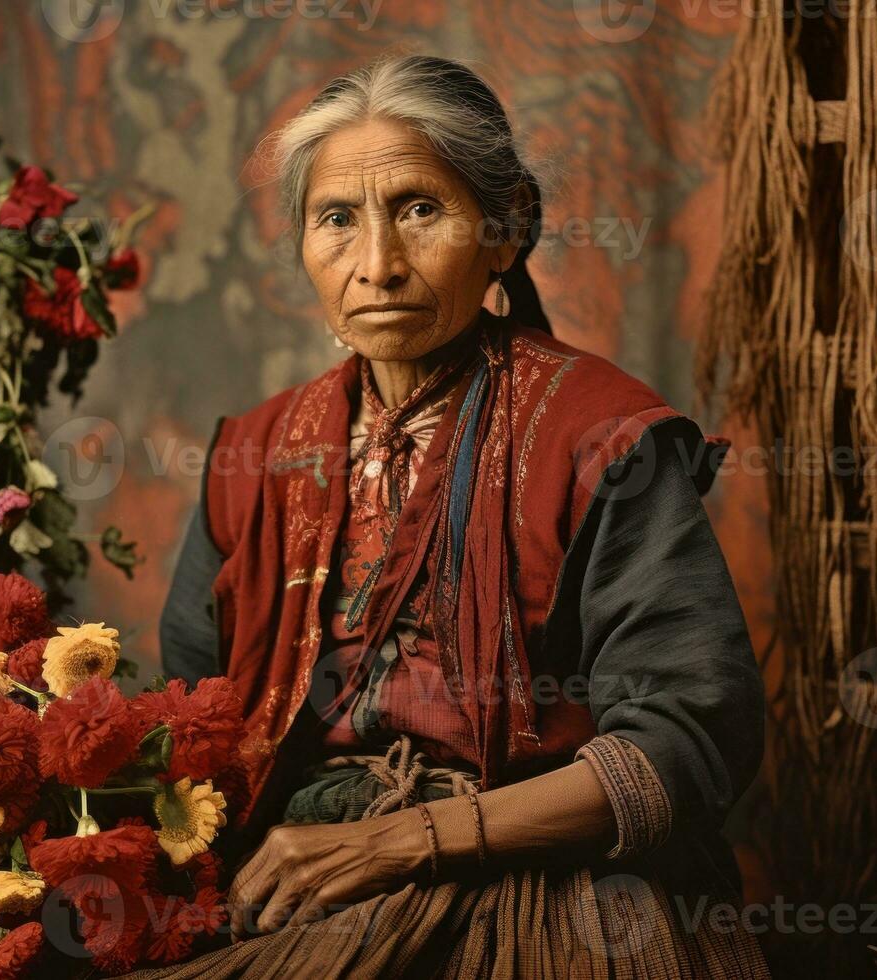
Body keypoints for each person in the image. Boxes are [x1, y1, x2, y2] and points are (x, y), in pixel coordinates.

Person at [151, 53, 770, 978]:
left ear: (506, 224)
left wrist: (404, 843)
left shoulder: (600, 437)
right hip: (292, 875)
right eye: (336, 220)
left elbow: (689, 739)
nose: (377, 265)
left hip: (542, 876)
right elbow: (188, 726)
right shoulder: (258, 455)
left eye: (418, 209)